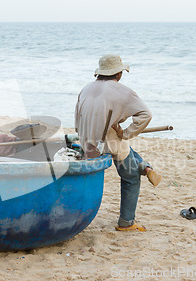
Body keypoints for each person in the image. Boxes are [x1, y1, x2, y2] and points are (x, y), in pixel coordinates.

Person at [75, 54, 162, 231]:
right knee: (131, 177)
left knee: (125, 148)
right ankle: (126, 222)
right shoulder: (123, 91)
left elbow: (77, 120)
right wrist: (127, 132)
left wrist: (84, 135)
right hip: (108, 142)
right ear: (118, 73)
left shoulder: (85, 89)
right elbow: (146, 115)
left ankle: (145, 167)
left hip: (87, 143)